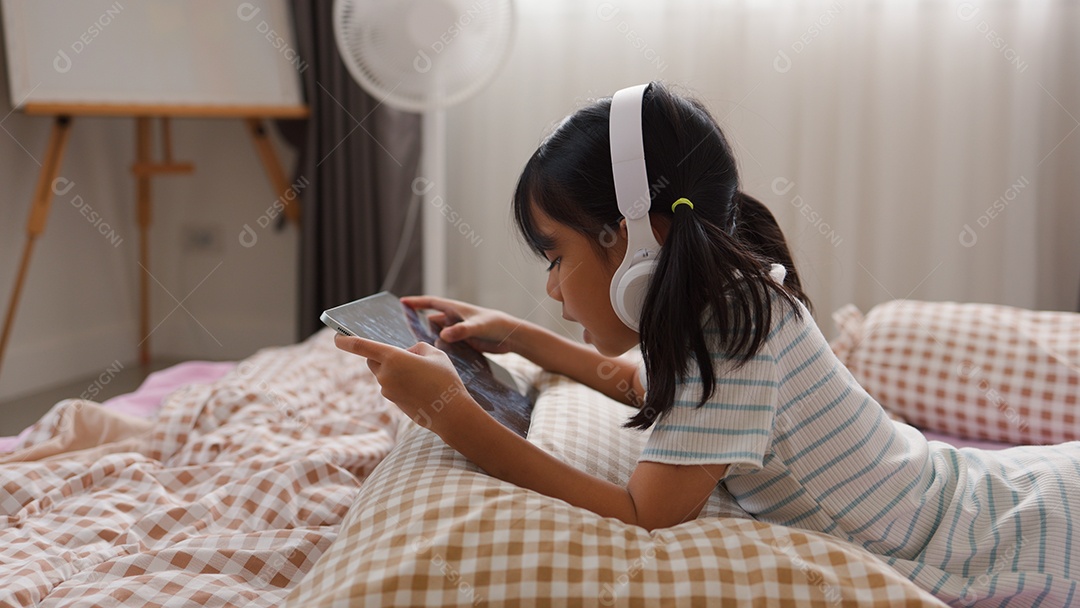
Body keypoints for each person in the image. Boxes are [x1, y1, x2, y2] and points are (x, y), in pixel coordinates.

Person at [336, 82, 1078, 603]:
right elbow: (645, 389)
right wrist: (520, 338)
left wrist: (451, 415)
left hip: (1004, 534)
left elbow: (643, 514)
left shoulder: (731, 329)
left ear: (629, 240)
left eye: (556, 257)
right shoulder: (715, 306)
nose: (555, 289)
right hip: (971, 495)